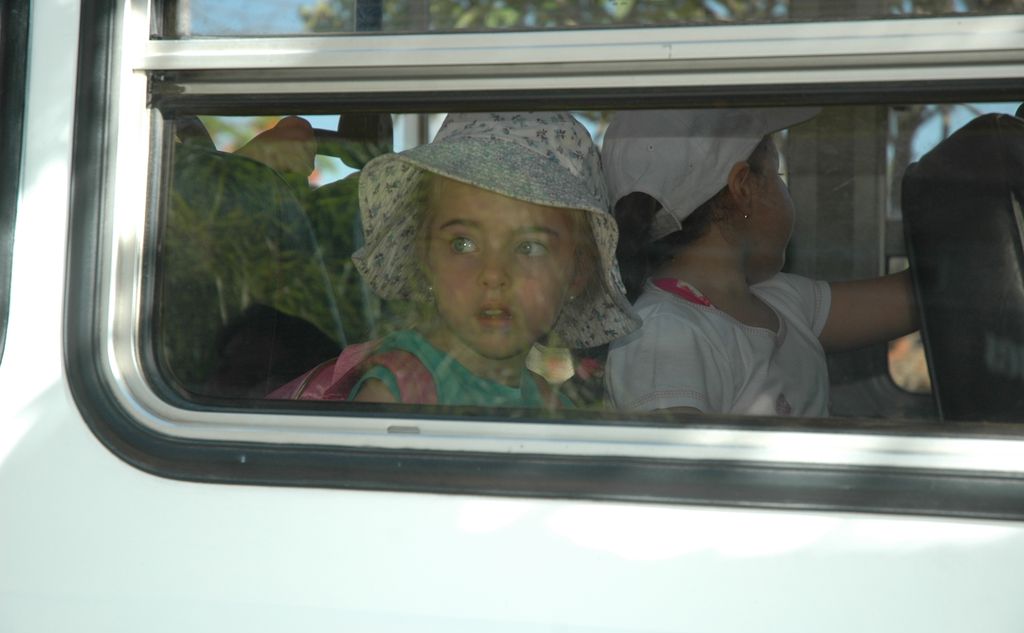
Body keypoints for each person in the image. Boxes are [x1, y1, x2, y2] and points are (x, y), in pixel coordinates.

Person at [272, 111, 639, 407]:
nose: (493, 274)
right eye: (463, 244)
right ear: (425, 257)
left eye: (529, 247)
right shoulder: (402, 393)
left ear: (577, 273)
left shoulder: (548, 404)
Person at [602, 108, 918, 416]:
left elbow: (920, 298)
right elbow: (673, 452)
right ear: (744, 188)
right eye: (777, 175)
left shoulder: (779, 298)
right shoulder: (663, 333)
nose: (785, 188)